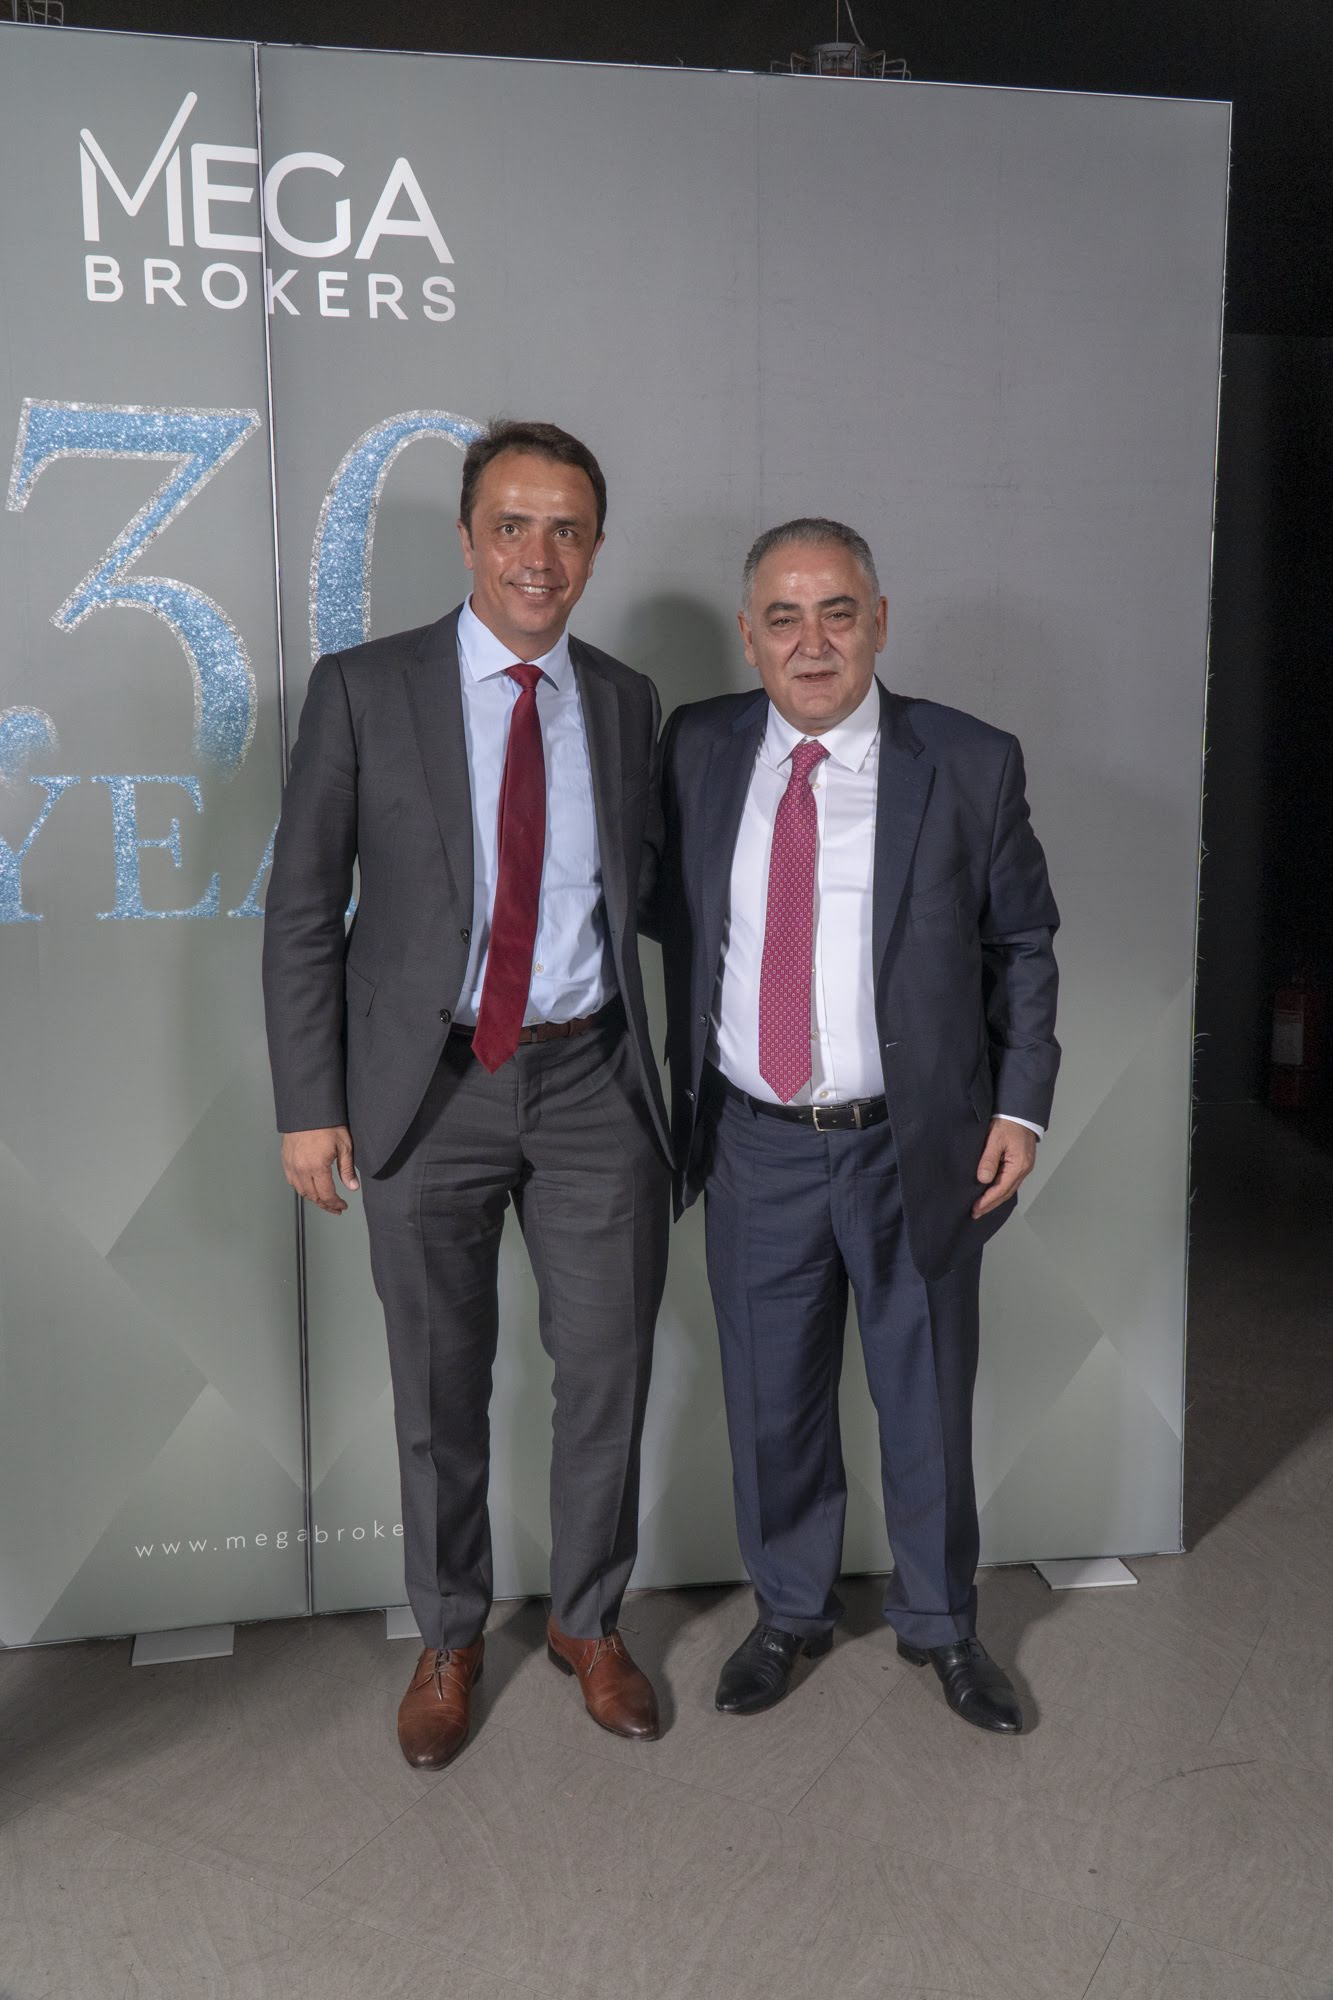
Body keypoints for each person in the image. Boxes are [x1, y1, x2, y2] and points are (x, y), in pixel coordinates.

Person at [262, 420, 672, 1769]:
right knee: (439, 1385)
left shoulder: (624, 698)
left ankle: (589, 1622)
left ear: (594, 548)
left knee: (606, 1373)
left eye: (565, 529)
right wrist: (308, 1101)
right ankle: (449, 1633)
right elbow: (303, 907)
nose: (536, 555)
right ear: (466, 538)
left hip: (591, 1079)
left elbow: (646, 891)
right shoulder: (364, 688)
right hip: (426, 1085)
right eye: (511, 524)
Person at [655, 518, 1059, 1733]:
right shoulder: (697, 748)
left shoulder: (968, 760)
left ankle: (941, 1624)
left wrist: (1019, 1104)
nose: (812, 641)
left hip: (916, 1145)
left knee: (924, 1395)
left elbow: (1021, 945)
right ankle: (789, 1609)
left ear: (879, 621)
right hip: (754, 1141)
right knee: (769, 1397)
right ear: (749, 636)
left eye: (838, 612)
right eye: (783, 617)